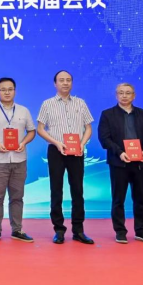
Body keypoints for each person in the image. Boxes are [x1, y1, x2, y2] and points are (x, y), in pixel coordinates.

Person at [37, 70, 95, 245]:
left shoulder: (80, 103)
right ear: (55, 83)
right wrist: (56, 142)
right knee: (56, 190)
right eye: (61, 80)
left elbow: (88, 128)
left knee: (78, 190)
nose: (65, 83)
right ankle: (59, 230)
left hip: (76, 151)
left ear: (72, 83)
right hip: (56, 150)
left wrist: (82, 144)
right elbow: (40, 129)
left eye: (68, 80)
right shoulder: (47, 104)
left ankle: (78, 230)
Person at [0, 78, 36, 243]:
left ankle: (17, 230)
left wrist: (23, 143)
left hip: (19, 159)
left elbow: (32, 131)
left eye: (10, 89)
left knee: (17, 197)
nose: (7, 92)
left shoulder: (23, 111)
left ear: (15, 91)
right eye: (3, 89)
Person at [98, 83, 143, 244]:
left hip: (140, 163)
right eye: (121, 93)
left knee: (140, 198)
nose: (124, 96)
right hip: (119, 163)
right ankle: (120, 231)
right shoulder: (107, 114)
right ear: (116, 95)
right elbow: (104, 138)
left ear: (134, 96)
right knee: (118, 199)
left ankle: (141, 231)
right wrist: (119, 152)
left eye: (128, 93)